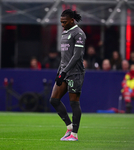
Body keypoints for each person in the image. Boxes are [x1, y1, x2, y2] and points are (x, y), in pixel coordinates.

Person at [49, 9, 86, 141]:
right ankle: (69, 127)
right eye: (61, 22)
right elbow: (64, 57)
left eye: (64, 22)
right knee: (53, 100)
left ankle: (74, 135)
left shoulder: (79, 33)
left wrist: (64, 72)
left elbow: (77, 56)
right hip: (64, 72)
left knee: (74, 103)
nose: (62, 24)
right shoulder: (65, 33)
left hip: (75, 73)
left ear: (72, 20)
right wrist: (59, 72)